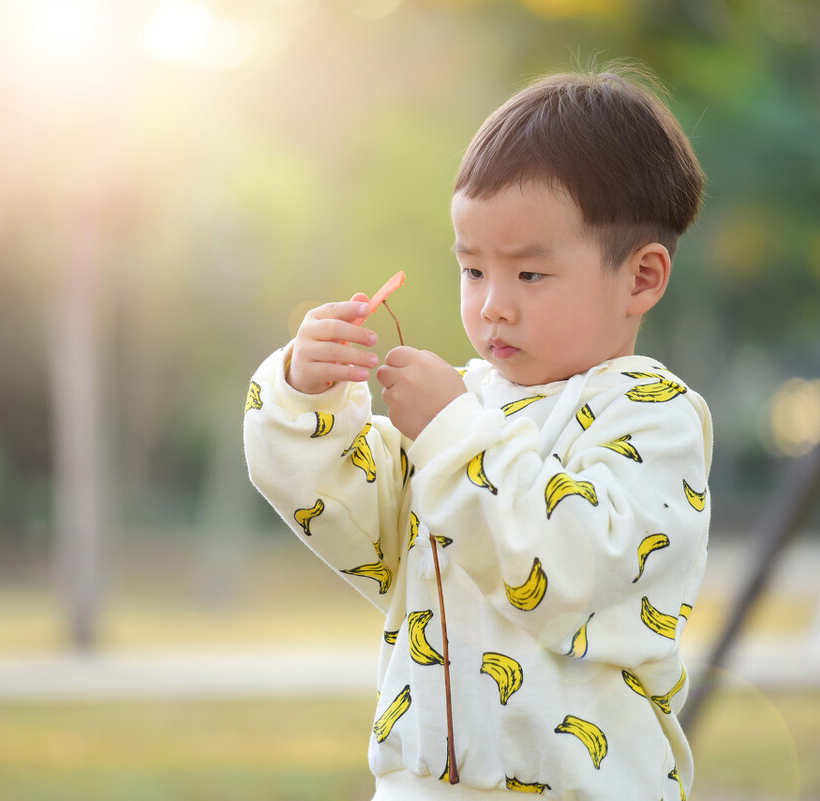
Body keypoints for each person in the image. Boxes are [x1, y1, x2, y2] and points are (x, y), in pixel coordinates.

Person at [243, 65, 712, 800]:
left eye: (528, 275)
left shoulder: (654, 417)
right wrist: (307, 398)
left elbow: (571, 568)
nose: (492, 306)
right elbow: (352, 528)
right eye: (471, 270)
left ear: (641, 278)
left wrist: (453, 433)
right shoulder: (459, 415)